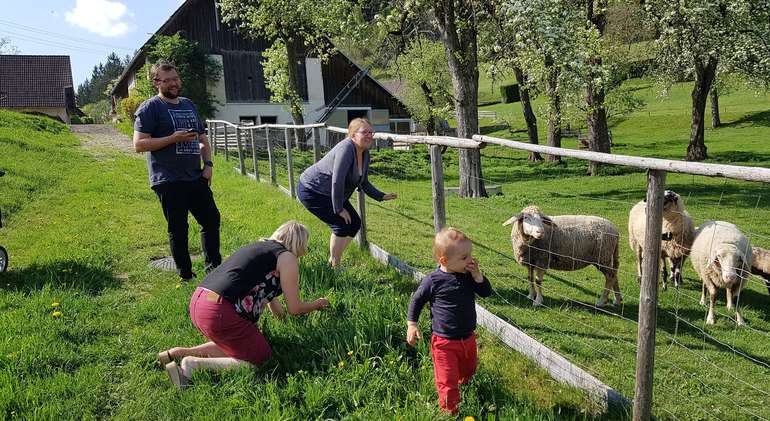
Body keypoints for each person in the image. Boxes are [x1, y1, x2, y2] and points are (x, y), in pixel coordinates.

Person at [158, 220, 329, 388]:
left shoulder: (260, 249)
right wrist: (318, 304)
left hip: (200, 302)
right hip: (220, 312)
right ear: (299, 244)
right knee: (260, 358)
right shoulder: (287, 257)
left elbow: (272, 301)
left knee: (237, 345)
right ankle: (193, 364)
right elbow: (295, 308)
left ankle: (177, 354)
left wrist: (282, 321)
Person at [133, 62, 221, 281]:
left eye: (175, 78)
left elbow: (202, 138)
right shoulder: (149, 108)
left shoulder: (189, 105)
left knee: (211, 220)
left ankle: (214, 271)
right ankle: (186, 275)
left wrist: (208, 165)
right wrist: (174, 138)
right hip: (168, 179)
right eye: (168, 79)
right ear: (156, 82)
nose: (174, 83)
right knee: (179, 228)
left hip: (195, 176)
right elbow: (139, 144)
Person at [406, 227, 492, 414]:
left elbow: (486, 292)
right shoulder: (433, 280)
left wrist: (478, 276)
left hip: (468, 338)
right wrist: (412, 324)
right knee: (447, 380)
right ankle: (449, 410)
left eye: (470, 254)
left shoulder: (469, 276)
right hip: (444, 342)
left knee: (469, 370)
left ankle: (463, 383)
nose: (470, 260)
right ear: (444, 261)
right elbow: (417, 300)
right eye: (464, 258)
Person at [298, 118, 397, 268]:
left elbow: (363, 181)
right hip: (313, 190)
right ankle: (335, 266)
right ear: (353, 135)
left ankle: (333, 259)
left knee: (354, 223)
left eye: (371, 132)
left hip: (331, 193)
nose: (370, 135)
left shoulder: (364, 153)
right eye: (365, 132)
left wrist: (381, 196)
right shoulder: (346, 149)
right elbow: (337, 181)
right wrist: (339, 209)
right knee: (341, 225)